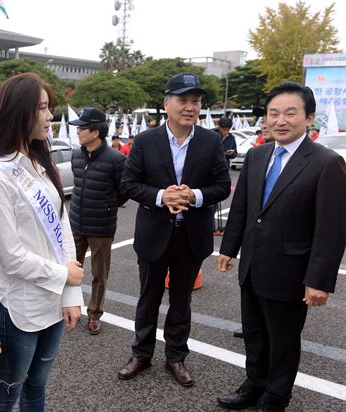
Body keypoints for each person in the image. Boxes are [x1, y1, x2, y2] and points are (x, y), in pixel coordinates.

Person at [217, 82, 346, 412]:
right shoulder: (258, 154)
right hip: (253, 266)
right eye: (273, 113)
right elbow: (244, 207)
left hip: (291, 271)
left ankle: (276, 395)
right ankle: (254, 384)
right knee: (255, 334)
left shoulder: (325, 162)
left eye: (291, 112)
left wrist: (319, 280)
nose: (280, 120)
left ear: (309, 118)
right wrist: (228, 249)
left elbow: (332, 228)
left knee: (283, 340)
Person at [0, 72, 84, 411]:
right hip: (18, 309)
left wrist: (71, 294)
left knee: (37, 389)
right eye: (41, 108)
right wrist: (64, 276)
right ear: (18, 111)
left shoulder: (40, 164)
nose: (50, 115)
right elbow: (11, 257)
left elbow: (62, 229)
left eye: (49, 107)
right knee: (7, 395)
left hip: (52, 304)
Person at [118, 73, 231, 387]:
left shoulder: (210, 141)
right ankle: (141, 354)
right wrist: (160, 196)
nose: (190, 107)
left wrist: (194, 196)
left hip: (191, 236)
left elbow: (223, 186)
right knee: (148, 299)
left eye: (195, 101)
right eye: (182, 100)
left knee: (181, 302)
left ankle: (176, 357)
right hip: (154, 234)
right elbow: (128, 184)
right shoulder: (145, 141)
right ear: (166, 103)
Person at [69, 107, 126, 335]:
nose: (78, 132)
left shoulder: (116, 159)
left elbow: (124, 192)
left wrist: (107, 207)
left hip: (101, 226)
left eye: (82, 128)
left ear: (96, 131)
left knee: (99, 275)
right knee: (70, 270)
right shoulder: (76, 155)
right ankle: (68, 307)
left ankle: (94, 314)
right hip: (75, 223)